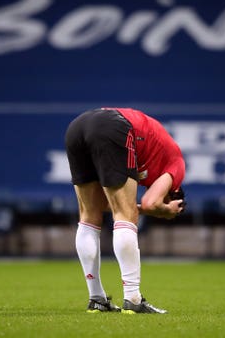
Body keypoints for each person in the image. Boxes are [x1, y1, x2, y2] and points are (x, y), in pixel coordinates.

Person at [65, 107, 186, 314]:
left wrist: (136, 207)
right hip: (115, 126)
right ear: (175, 192)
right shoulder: (177, 165)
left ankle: (97, 299)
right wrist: (166, 210)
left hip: (78, 126)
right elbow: (150, 203)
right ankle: (133, 298)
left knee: (89, 215)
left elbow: (105, 205)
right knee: (126, 215)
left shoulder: (151, 163)